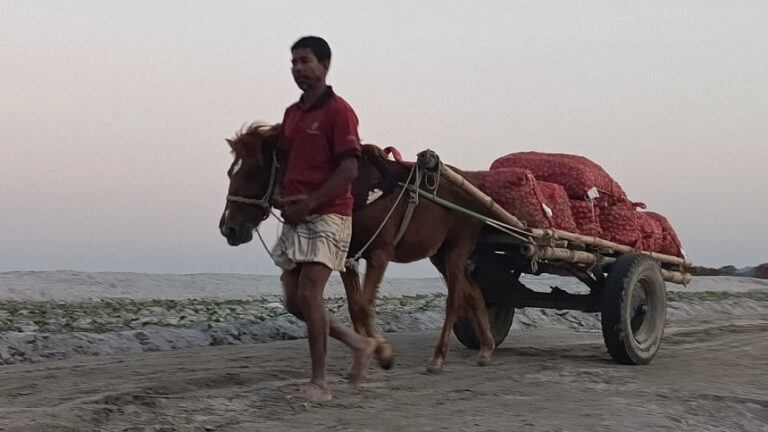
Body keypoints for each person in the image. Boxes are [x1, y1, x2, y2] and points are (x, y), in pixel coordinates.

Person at [270, 36, 377, 403]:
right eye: (293, 61)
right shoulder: (291, 114)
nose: (298, 67)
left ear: (325, 65)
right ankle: (357, 342)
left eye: (305, 60)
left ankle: (320, 384)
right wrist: (280, 195)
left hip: (330, 213)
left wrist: (313, 201)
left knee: (309, 293)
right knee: (293, 302)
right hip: (295, 215)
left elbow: (349, 168)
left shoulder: (339, 111)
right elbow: (283, 161)